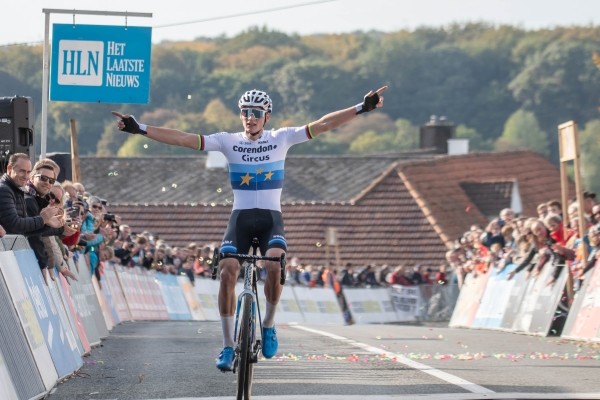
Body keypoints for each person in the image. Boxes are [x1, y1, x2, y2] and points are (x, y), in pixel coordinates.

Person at [113, 85, 387, 371]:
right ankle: (228, 346)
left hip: (271, 219)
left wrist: (361, 108)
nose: (250, 118)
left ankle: (268, 324)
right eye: (245, 112)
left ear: (266, 116)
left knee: (275, 266)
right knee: (228, 269)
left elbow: (324, 124)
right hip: (240, 219)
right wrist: (140, 128)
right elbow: (183, 139)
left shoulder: (282, 138)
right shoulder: (227, 141)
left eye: (256, 113)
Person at [0, 153, 63, 237]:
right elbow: (14, 225)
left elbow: (24, 232)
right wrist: (42, 219)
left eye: (28, 172)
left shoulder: (17, 190)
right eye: (22, 171)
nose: (26, 176)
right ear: (9, 169)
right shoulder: (4, 190)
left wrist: (47, 223)